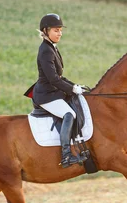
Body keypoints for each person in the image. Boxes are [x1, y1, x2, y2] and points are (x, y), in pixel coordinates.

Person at [28, 13, 86, 168]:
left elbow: (60, 76)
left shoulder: (52, 47)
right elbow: (53, 79)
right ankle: (66, 154)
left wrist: (76, 86)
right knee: (69, 114)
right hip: (45, 95)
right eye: (56, 30)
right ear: (46, 31)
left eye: (60, 30)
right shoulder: (45, 50)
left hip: (53, 92)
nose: (59, 33)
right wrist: (72, 89)